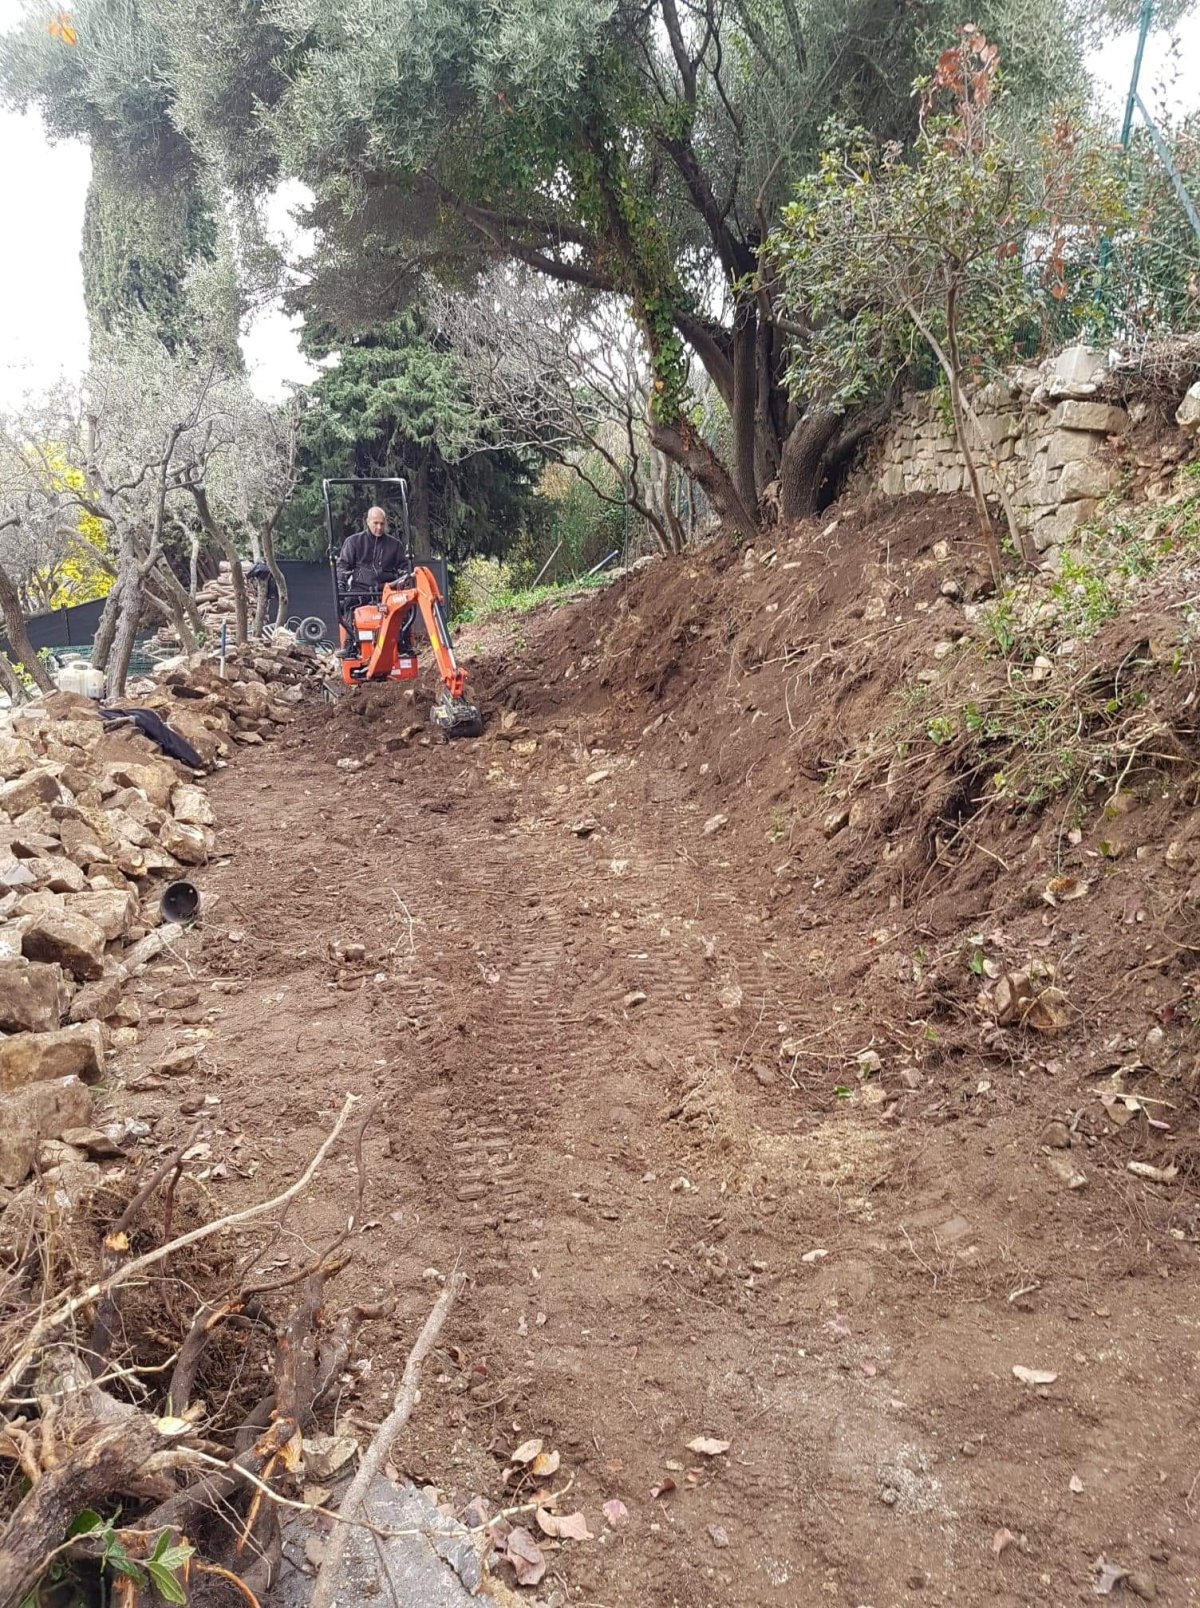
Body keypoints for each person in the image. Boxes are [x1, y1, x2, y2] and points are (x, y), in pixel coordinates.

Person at [335, 506, 410, 659]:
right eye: (375, 523)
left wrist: (404, 579)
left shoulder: (394, 545)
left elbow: (404, 567)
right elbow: (343, 566)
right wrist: (341, 585)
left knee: (405, 605)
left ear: (386, 523)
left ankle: (403, 643)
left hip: (386, 588)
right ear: (367, 522)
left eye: (382, 524)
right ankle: (351, 644)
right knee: (349, 603)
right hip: (361, 587)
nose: (379, 527)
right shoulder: (354, 542)